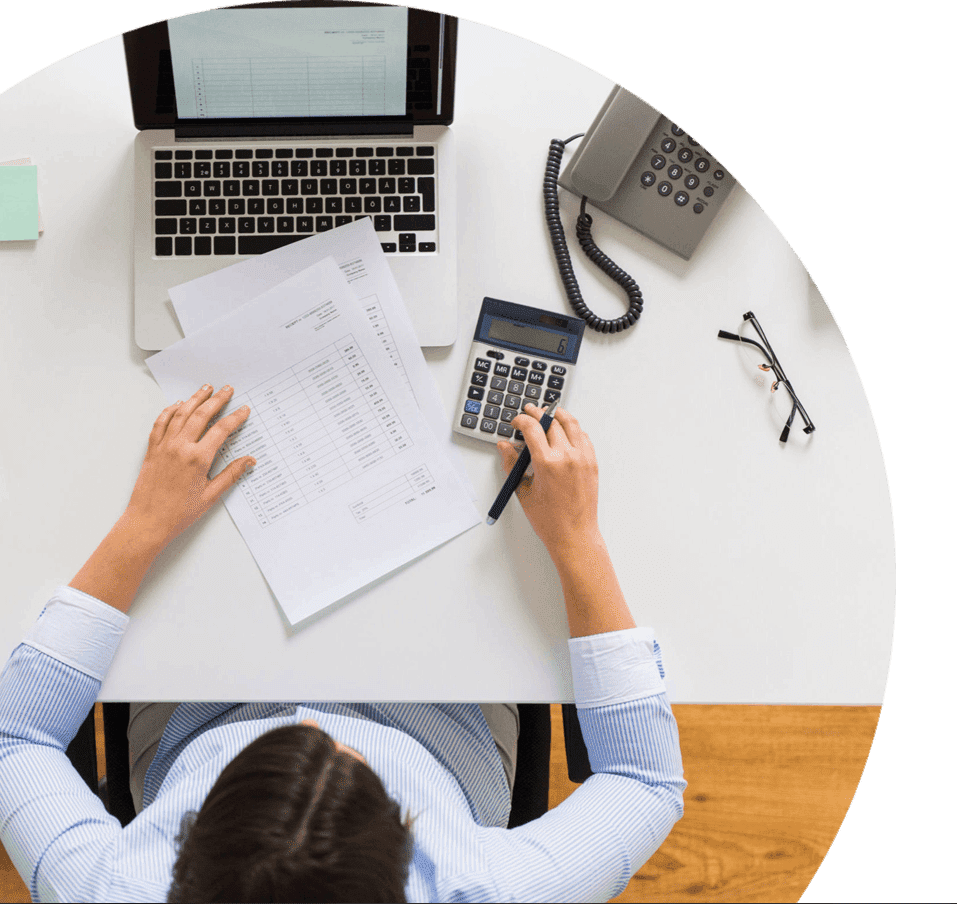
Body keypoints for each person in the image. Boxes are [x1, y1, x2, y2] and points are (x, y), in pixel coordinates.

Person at [0, 384, 685, 902]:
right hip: (440, 718)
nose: (319, 724)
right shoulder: (483, 886)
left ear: (184, 850)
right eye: (358, 769)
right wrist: (576, 542)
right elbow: (643, 781)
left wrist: (144, 524)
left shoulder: (114, 887)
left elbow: (14, 739)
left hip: (203, 704)